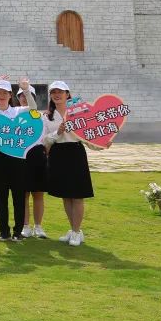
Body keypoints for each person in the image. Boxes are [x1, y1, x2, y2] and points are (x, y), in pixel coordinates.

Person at [44, 81, 93, 246]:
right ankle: (74, 230)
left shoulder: (78, 112)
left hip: (75, 153)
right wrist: (57, 132)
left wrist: (101, 145)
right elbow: (45, 141)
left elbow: (88, 135)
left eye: (60, 92)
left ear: (67, 94)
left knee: (77, 195)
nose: (57, 95)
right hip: (58, 154)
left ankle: (76, 232)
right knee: (65, 195)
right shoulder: (47, 116)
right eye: (53, 92)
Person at [0, 78, 34, 241]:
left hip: (17, 158)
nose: (1, 95)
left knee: (19, 197)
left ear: (10, 95)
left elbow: (33, 109)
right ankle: (4, 231)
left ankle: (18, 231)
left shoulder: (17, 111)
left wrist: (26, 90)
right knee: (1, 197)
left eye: (4, 93)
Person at [17, 79, 49, 238]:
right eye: (21, 95)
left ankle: (38, 226)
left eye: (27, 95)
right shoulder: (14, 113)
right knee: (23, 194)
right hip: (21, 156)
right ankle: (25, 226)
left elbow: (46, 138)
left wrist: (46, 153)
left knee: (38, 194)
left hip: (37, 155)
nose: (24, 97)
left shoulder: (40, 115)